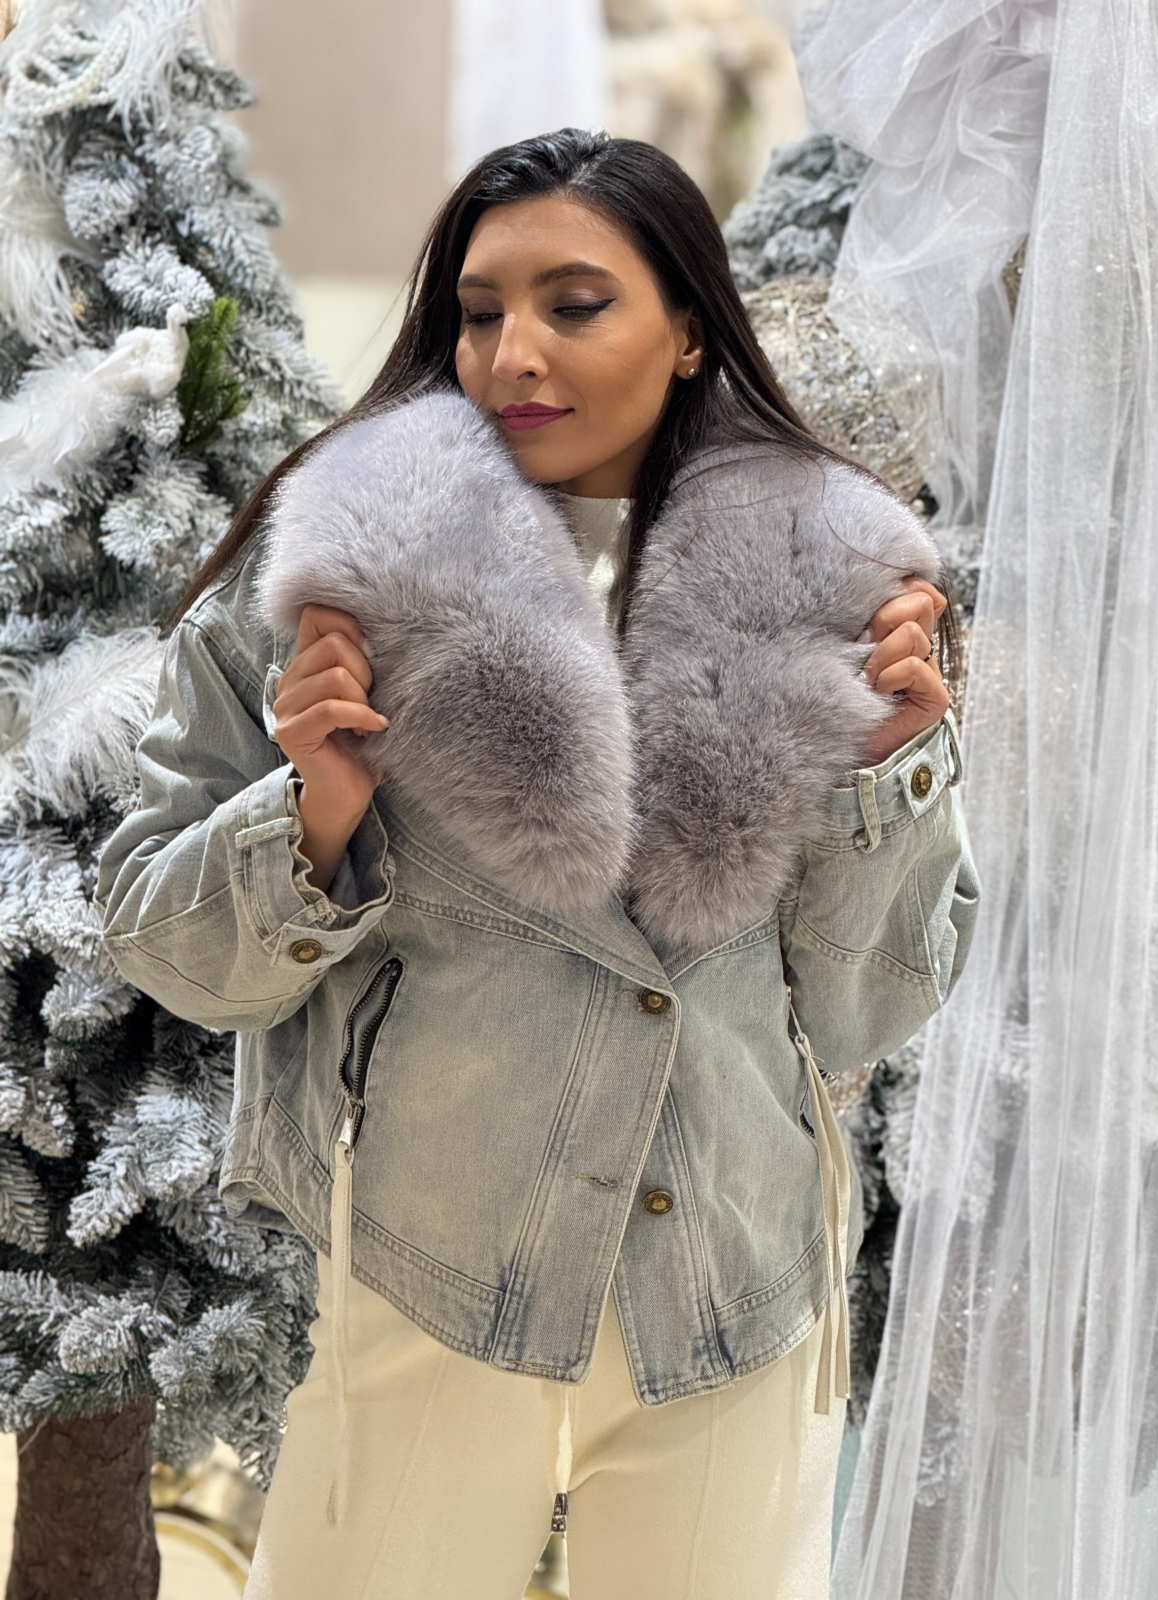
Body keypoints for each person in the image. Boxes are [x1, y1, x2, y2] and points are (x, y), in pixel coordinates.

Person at [98, 129, 978, 1600]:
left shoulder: (841, 586)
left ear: (689, 329)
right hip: (431, 1269)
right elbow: (168, 952)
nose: (514, 353)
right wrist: (314, 812)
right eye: (479, 310)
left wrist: (888, 771)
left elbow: (868, 1006)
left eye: (576, 305)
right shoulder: (331, 577)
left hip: (731, 1290)